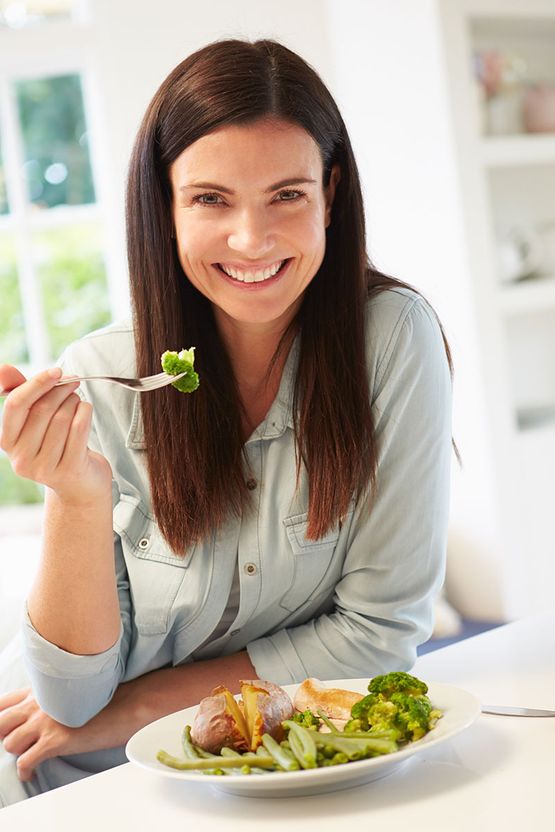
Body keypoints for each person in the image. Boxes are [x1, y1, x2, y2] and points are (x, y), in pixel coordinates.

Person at [0, 38, 453, 807]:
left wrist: (139, 709)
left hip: (267, 766)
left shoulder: (392, 338)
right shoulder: (107, 377)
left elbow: (379, 638)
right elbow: (69, 704)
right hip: (60, 775)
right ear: (165, 205)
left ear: (330, 194)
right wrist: (77, 496)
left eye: (287, 195)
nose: (252, 239)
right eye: (211, 199)